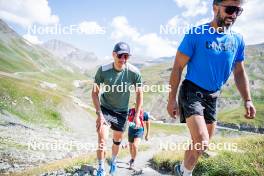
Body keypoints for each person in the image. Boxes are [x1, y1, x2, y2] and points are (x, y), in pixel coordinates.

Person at [167, 0, 256, 175]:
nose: (233, 15)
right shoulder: (196, 34)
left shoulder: (238, 40)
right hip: (192, 91)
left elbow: (239, 71)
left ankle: (182, 170)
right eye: (230, 9)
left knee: (198, 145)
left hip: (213, 95)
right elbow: (177, 67)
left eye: (238, 11)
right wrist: (171, 100)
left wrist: (247, 100)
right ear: (215, 7)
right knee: (202, 140)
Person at [91, 42, 143, 176]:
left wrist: (137, 116)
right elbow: (94, 93)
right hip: (106, 109)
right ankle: (101, 168)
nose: (123, 59)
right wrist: (99, 114)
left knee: (117, 141)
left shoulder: (134, 72)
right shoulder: (103, 70)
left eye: (126, 56)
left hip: (122, 112)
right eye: (120, 56)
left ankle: (113, 162)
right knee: (102, 139)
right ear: (114, 55)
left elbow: (139, 94)